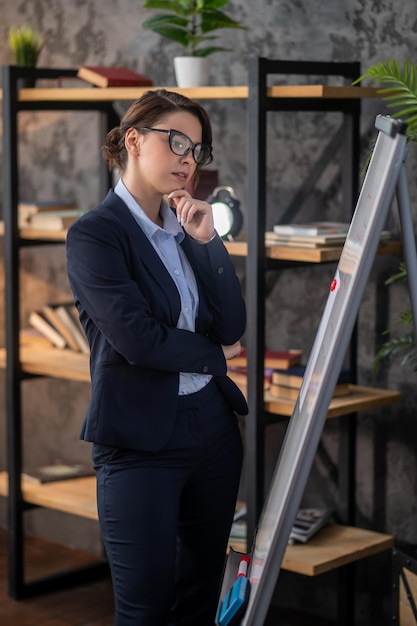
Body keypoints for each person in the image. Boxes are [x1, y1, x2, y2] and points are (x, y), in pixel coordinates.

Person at [66, 88, 248, 626]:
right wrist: (218, 354)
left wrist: (209, 240)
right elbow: (138, 339)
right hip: (140, 442)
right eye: (176, 142)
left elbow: (232, 324)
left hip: (213, 433)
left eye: (197, 149)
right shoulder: (95, 234)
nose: (189, 159)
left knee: (199, 600)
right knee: (145, 610)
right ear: (133, 140)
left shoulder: (189, 225)